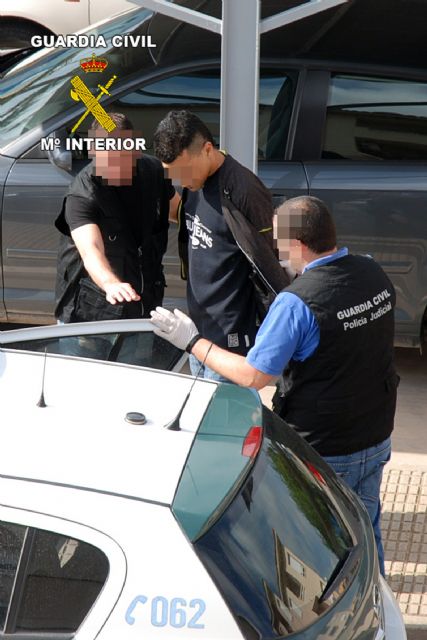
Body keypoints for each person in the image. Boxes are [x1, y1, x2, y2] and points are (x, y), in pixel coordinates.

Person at [150, 195, 399, 577]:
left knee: (323, 549)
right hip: (375, 434)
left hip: (326, 449)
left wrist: (192, 342)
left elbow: (253, 375)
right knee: (366, 532)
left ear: (298, 245)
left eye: (281, 245)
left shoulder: (297, 303)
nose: (279, 253)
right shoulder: (371, 272)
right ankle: (379, 609)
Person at [153, 110, 289, 380]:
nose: (182, 182)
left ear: (207, 149)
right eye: (173, 174)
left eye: (184, 171)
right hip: (198, 334)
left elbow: (271, 263)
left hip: (232, 344)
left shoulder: (244, 190)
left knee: (228, 420)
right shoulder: (195, 181)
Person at [55, 113, 181, 323]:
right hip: (88, 315)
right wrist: (110, 283)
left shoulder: (153, 172)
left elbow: (180, 212)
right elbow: (91, 251)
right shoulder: (83, 193)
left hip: (143, 307)